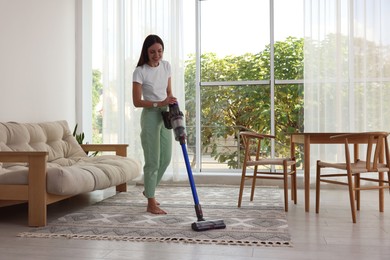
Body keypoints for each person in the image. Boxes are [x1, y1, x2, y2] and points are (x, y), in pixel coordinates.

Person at [132, 34, 177, 214]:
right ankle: (151, 202)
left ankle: (148, 190)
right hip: (150, 114)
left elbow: (168, 91)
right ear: (146, 52)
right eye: (152, 52)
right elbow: (136, 101)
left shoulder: (166, 66)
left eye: (159, 51)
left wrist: (171, 104)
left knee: (165, 158)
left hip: (165, 113)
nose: (156, 55)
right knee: (152, 161)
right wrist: (159, 103)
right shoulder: (140, 71)